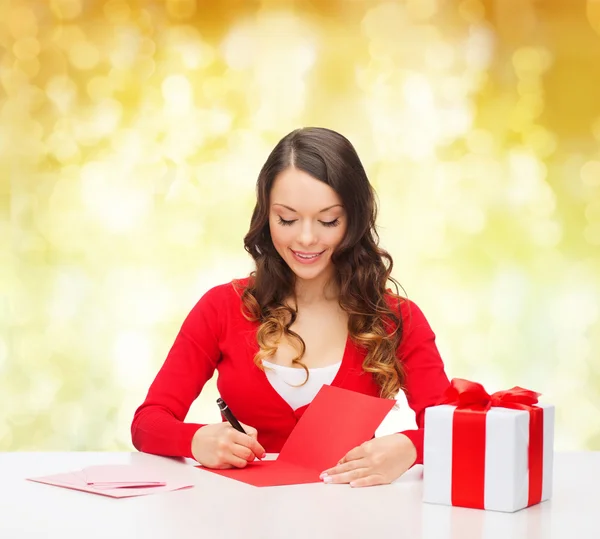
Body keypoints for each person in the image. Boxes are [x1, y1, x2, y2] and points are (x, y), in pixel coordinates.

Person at [131, 127, 450, 487]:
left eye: (329, 220)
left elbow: (453, 429)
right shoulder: (221, 307)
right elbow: (147, 423)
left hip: (353, 519)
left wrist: (411, 447)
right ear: (266, 217)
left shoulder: (396, 318)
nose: (306, 238)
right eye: (287, 219)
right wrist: (194, 440)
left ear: (354, 219)